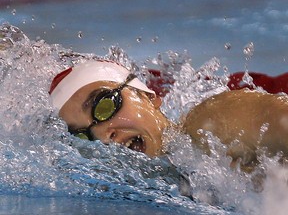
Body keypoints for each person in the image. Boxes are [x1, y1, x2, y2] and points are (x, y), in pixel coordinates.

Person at [49, 59, 288, 172]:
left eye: (104, 106)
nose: (102, 135)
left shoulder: (208, 124)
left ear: (150, 96)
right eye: (82, 136)